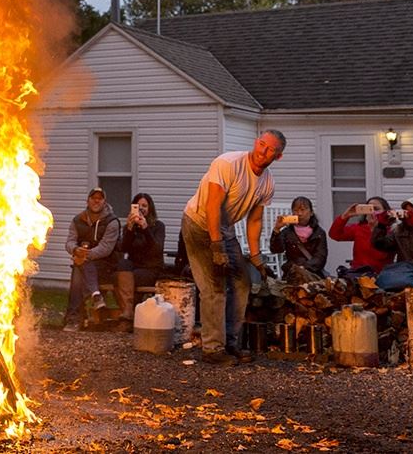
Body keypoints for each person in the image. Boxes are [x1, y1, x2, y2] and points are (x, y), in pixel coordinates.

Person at [180, 130, 284, 365]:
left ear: (278, 157)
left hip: (224, 229)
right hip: (198, 223)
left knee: (241, 281)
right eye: (261, 145)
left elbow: (254, 221)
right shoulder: (228, 163)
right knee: (215, 284)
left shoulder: (267, 183)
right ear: (256, 142)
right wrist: (217, 247)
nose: (263, 152)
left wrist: (256, 258)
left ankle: (230, 342)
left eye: (270, 150)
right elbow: (212, 206)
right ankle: (212, 349)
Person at [63, 188, 121, 332]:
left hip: (107, 265)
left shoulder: (112, 221)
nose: (96, 201)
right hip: (84, 263)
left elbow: (105, 248)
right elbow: (69, 242)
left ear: (104, 201)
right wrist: (76, 250)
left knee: (79, 269)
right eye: (93, 198)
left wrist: (84, 256)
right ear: (87, 200)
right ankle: (95, 297)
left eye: (99, 198)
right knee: (78, 270)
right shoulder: (78, 220)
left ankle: (74, 318)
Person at [115, 192, 168, 332]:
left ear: (150, 208)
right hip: (134, 266)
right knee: (122, 265)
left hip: (151, 268)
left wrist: (145, 229)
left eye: (144, 206)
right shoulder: (130, 227)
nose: (141, 209)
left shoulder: (158, 226)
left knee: (128, 278)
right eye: (138, 206)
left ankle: (128, 318)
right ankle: (128, 312)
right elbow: (123, 248)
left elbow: (156, 249)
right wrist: (130, 229)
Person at [369, 198, 413, 291]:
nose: (409, 214)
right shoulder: (398, 230)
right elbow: (379, 245)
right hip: (404, 273)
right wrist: (381, 226)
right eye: (407, 211)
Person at [328, 196, 393, 276]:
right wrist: (345, 216)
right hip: (358, 274)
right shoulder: (359, 228)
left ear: (385, 212)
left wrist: (374, 229)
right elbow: (335, 235)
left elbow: (380, 255)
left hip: (381, 275)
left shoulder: (391, 231)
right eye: (369, 209)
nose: (372, 212)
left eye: (376, 209)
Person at [268, 196, 328, 282]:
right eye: (295, 210)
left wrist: (304, 267)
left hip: (312, 274)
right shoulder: (287, 232)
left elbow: (320, 257)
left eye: (303, 210)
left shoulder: (319, 233)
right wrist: (276, 230)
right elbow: (276, 249)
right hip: (292, 274)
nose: (299, 213)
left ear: (311, 213)